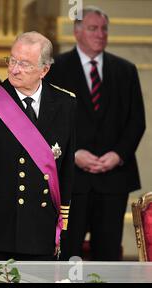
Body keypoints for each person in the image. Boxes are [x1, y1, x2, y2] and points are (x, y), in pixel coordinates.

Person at [0, 32, 76, 261]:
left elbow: (67, 170)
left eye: (25, 64)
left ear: (44, 70)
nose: (14, 69)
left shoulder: (66, 104)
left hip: (42, 232)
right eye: (12, 60)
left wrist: (63, 227)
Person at [46, 6, 146, 261]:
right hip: (72, 178)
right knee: (67, 252)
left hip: (113, 178)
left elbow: (137, 121)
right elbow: (47, 121)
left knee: (108, 253)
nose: (100, 34)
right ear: (77, 32)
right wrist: (73, 153)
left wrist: (118, 155)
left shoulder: (125, 70)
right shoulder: (56, 69)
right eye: (93, 28)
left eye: (103, 29)